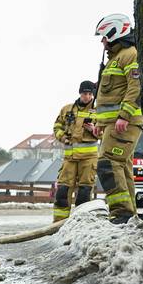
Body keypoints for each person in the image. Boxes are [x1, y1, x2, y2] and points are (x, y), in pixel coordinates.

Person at [92, 13, 143, 224]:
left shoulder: (130, 54)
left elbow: (136, 87)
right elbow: (107, 96)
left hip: (126, 123)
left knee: (108, 164)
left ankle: (121, 214)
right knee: (121, 167)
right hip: (113, 125)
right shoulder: (115, 59)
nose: (102, 41)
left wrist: (124, 115)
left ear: (115, 33)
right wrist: (98, 122)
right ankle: (129, 215)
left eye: (104, 36)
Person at [51, 80, 98, 221]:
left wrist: (93, 130)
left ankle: (80, 224)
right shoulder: (67, 109)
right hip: (69, 159)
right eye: (85, 93)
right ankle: (58, 225)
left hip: (88, 160)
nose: (87, 97)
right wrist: (63, 137)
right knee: (62, 192)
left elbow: (106, 132)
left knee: (84, 194)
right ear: (80, 93)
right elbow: (57, 127)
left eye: (90, 94)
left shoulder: (98, 111)